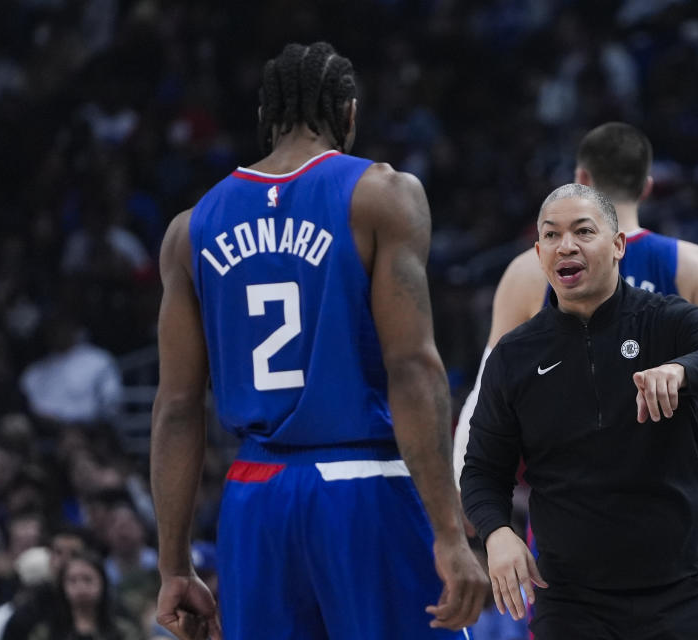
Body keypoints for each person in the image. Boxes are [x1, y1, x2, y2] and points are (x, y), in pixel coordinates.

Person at [150, 41, 487, 640]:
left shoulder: (189, 229)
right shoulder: (382, 195)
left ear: (265, 117)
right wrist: (449, 532)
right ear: (350, 112)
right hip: (363, 487)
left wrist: (174, 565)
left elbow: (176, 407)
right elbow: (412, 367)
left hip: (254, 497)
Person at [461, 184, 698, 638]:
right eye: (552, 236)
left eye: (583, 231)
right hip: (572, 602)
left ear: (618, 246)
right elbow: (481, 469)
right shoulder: (513, 355)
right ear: (539, 254)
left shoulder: (666, 319)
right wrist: (497, 532)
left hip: (681, 593)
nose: (567, 246)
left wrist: (681, 370)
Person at [453, 122, 698, 485]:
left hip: (564, 502)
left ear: (581, 178)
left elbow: (483, 395)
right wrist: (680, 372)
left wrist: (465, 487)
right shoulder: (693, 264)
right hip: (660, 498)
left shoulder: (528, 268)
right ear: (646, 187)